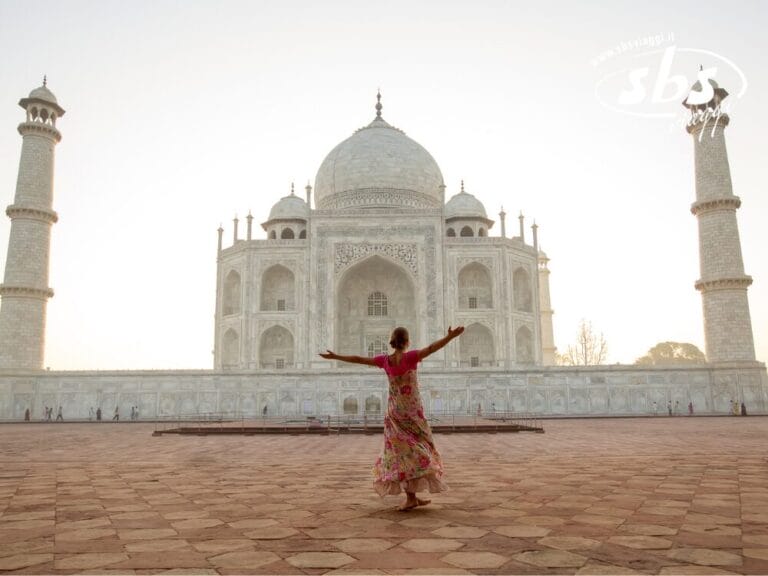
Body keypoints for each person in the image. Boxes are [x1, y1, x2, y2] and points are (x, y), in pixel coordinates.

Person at [320, 325, 464, 511]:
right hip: (412, 413)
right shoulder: (411, 357)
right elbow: (431, 348)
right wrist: (450, 337)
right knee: (420, 449)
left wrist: (336, 357)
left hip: (395, 413)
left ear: (393, 342)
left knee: (401, 454)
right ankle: (411, 496)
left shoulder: (385, 361)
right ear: (407, 342)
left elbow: (358, 359)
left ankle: (411, 496)